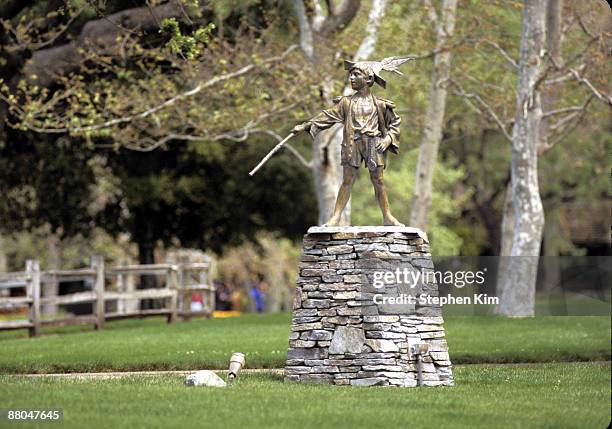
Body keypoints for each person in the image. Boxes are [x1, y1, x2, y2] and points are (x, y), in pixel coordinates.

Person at [292, 60, 405, 227]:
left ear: (368, 79)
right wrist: (307, 125)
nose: (351, 78)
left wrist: (387, 139)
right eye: (350, 75)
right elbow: (328, 116)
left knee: (379, 181)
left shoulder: (381, 104)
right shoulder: (346, 102)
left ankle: (388, 216)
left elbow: (395, 123)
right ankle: (335, 217)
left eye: (356, 75)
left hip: (374, 144)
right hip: (353, 144)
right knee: (347, 180)